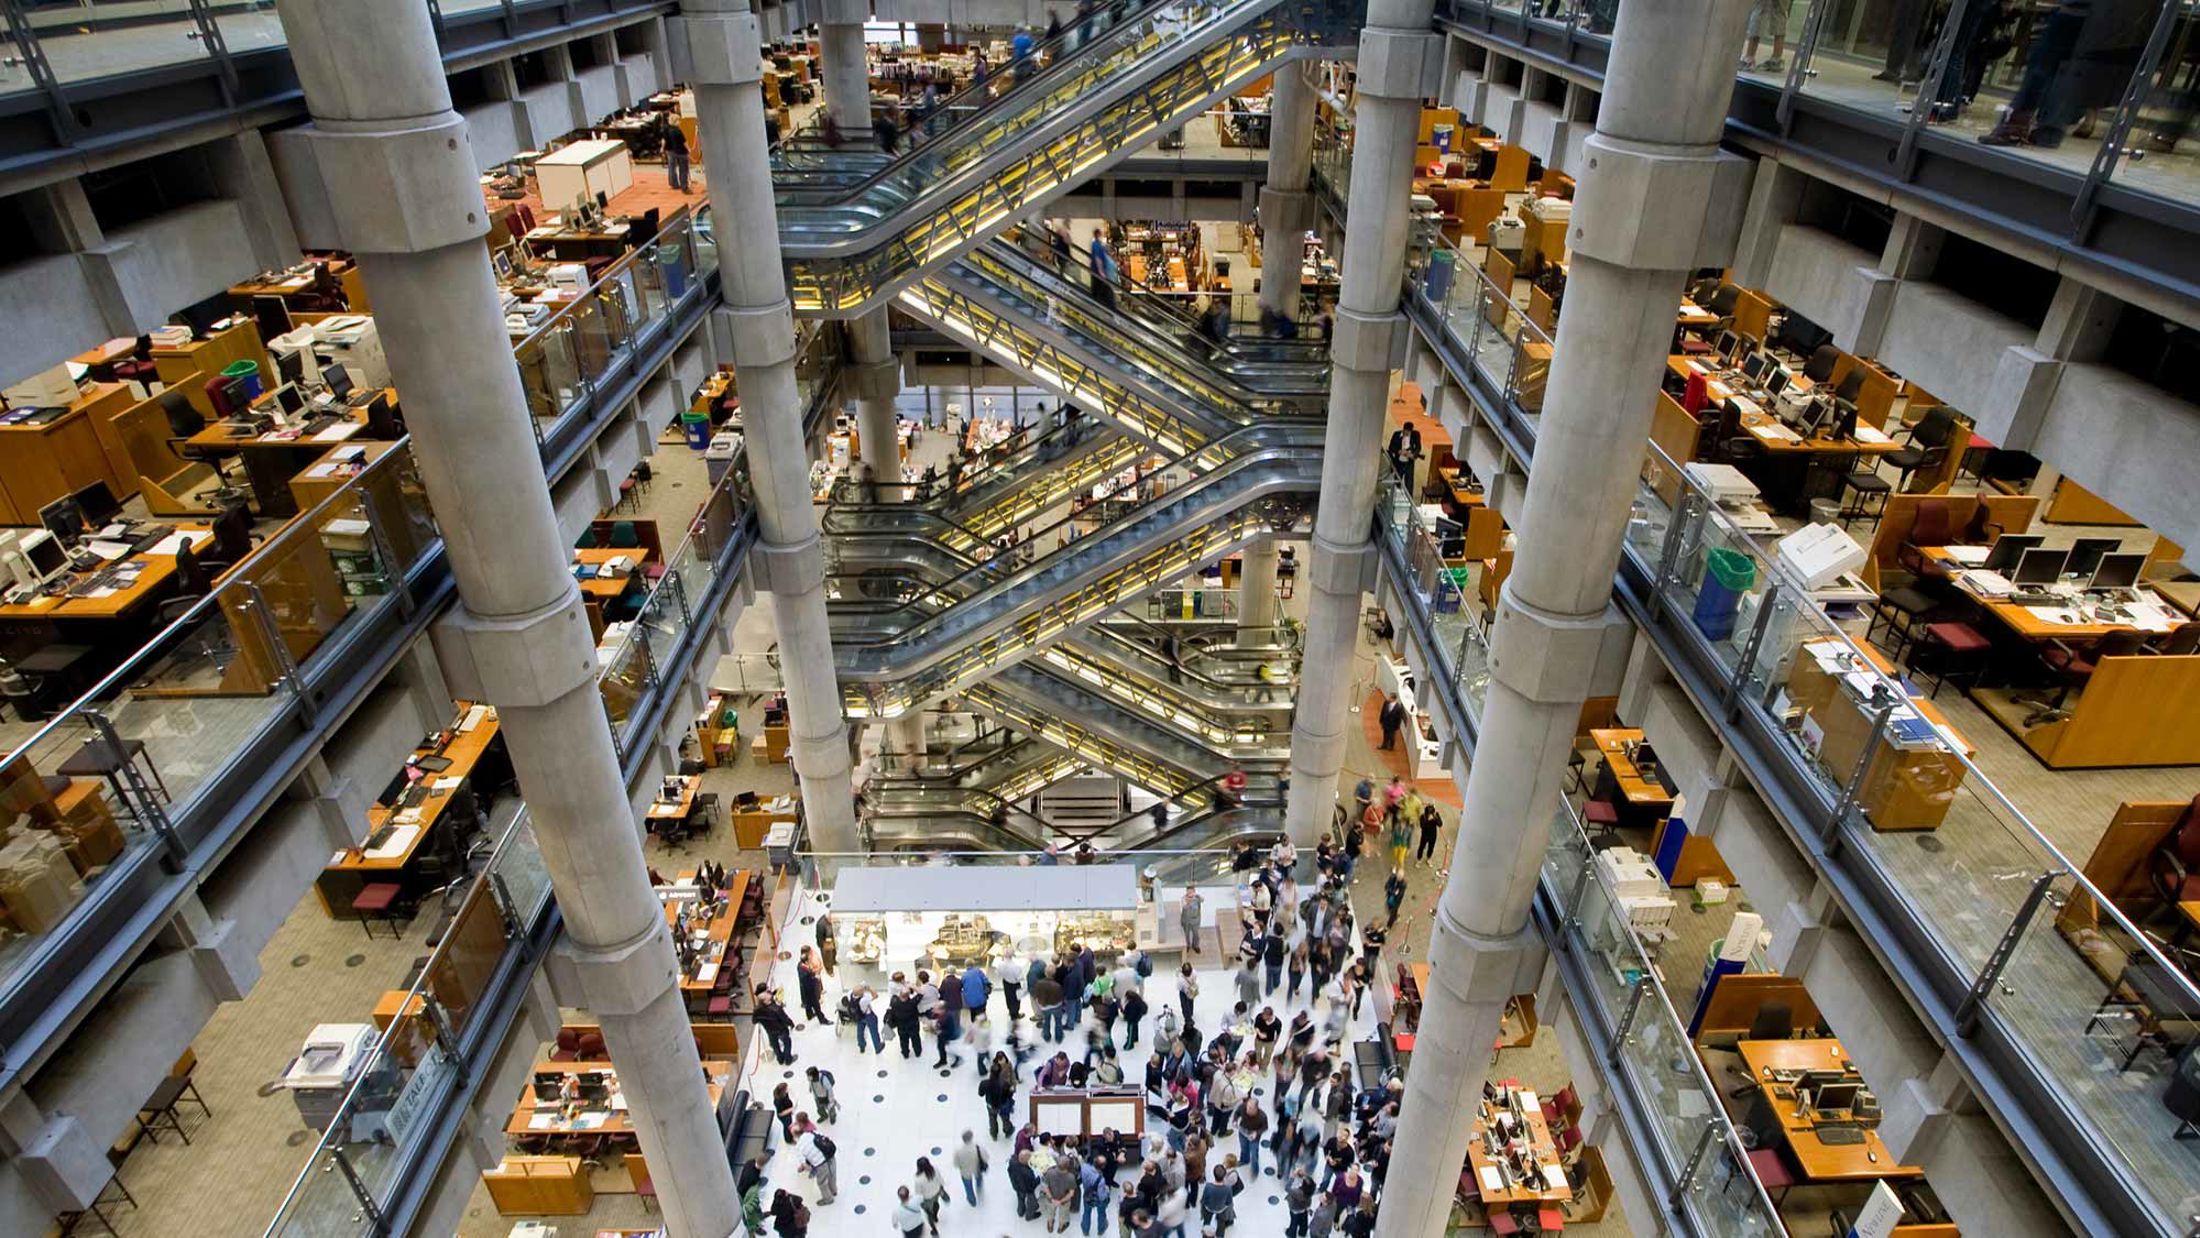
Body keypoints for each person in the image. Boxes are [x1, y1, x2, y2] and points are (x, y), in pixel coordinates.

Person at [795, 1121, 837, 1205]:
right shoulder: (812, 1133)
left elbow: (805, 1165)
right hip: (830, 1157)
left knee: (821, 1183)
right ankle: (834, 1190)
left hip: (821, 1165)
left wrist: (812, 1171)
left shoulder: (799, 1147)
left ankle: (828, 1199)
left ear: (795, 1136)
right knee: (832, 1175)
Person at [1198, 1163, 1241, 1236]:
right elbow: (1229, 1202)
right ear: (1224, 1176)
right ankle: (1220, 1235)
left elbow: (1204, 1199)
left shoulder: (1208, 1187)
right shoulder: (1228, 1188)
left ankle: (1205, 1234)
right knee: (1221, 1224)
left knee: (1206, 1222)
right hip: (1221, 1209)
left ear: (1214, 1175)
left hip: (1209, 1208)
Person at [1042, 1152, 1080, 1233]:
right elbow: (1071, 1193)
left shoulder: (1049, 1172)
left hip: (1051, 1198)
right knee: (1063, 1215)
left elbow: (1045, 1187)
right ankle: (1061, 1227)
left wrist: (1052, 1199)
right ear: (1068, 1166)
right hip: (1064, 1201)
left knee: (1050, 1213)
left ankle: (1050, 1225)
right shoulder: (1071, 1177)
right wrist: (1060, 1201)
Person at [1078, 1152, 1113, 1235]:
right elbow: (1101, 1196)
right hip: (1097, 1198)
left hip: (1087, 1194)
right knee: (1101, 1213)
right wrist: (1107, 1191)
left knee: (1086, 1212)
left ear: (1094, 1161)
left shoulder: (1084, 1168)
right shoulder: (1101, 1180)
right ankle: (1101, 1230)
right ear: (1103, 1166)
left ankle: (1085, 1230)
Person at [755, 993, 796, 1063]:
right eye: (766, 995)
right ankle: (788, 1059)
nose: (768, 994)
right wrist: (791, 1023)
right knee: (787, 1042)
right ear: (765, 1000)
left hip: (770, 1031)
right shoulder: (776, 1008)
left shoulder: (757, 1011)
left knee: (775, 1045)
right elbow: (784, 1018)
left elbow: (754, 1020)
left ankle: (780, 1059)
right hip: (781, 1030)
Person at [951, 1129, 988, 1205]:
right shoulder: (978, 1148)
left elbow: (955, 1164)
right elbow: (986, 1158)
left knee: (968, 1187)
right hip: (977, 1169)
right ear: (971, 1137)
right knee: (979, 1179)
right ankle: (979, 1188)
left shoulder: (958, 1151)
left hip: (965, 1172)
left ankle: (972, 1200)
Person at [912, 1156, 948, 1234]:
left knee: (928, 1214)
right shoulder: (935, 1169)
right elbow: (940, 1180)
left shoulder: (918, 1179)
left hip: (927, 1198)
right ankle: (935, 1216)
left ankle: (934, 1229)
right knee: (936, 1203)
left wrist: (919, 1202)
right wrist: (942, 1189)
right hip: (937, 1192)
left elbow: (918, 1193)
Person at [1089, 228, 1120, 310]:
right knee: (1104, 292)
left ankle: (1099, 306)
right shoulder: (1097, 245)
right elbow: (1098, 259)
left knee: (1099, 291)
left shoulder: (1096, 244)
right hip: (1099, 274)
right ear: (1098, 235)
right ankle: (1109, 309)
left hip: (1097, 272)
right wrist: (1101, 271)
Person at [1009, 1147, 1042, 1219]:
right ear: (1026, 1161)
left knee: (1020, 1199)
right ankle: (1029, 1216)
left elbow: (1009, 1171)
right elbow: (1032, 1186)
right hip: (1026, 1189)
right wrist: (1039, 1178)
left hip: (1016, 1186)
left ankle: (1020, 1211)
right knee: (1032, 1203)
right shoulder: (1028, 1173)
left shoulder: (1012, 1161)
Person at [797, 947, 827, 1023]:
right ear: (806, 962)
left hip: (806, 990)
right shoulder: (805, 972)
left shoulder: (800, 965)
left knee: (808, 1003)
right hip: (810, 991)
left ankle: (809, 1015)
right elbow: (809, 982)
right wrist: (815, 978)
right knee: (816, 1006)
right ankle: (822, 1020)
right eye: (809, 959)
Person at [853, 984, 884, 1054]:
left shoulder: (851, 995)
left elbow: (857, 990)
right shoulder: (863, 1000)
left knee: (860, 1032)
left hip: (859, 1016)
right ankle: (878, 1047)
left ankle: (861, 1045)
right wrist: (869, 989)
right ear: (861, 993)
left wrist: (861, 987)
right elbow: (876, 995)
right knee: (874, 1032)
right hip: (868, 1016)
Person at [663, 119, 691, 192]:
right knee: (683, 169)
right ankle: (684, 186)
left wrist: (662, 148)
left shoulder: (667, 129)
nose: (680, 122)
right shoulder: (678, 131)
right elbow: (684, 141)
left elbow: (664, 140)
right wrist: (688, 149)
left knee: (672, 168)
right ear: (675, 121)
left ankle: (674, 184)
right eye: (679, 120)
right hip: (681, 152)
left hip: (670, 151)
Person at [1416, 800, 1441, 864]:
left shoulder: (1436, 815)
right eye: (1429, 808)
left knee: (1431, 848)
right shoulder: (1423, 816)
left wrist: (1435, 818)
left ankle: (1428, 858)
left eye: (1431, 808)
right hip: (1425, 835)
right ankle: (1419, 859)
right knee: (1421, 847)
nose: (1430, 810)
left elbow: (1440, 824)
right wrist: (1428, 820)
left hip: (1433, 836)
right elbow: (1422, 826)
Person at [1179, 888, 1204, 953]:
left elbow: (1202, 899)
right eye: (1188, 892)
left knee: (1196, 934)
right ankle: (1187, 945)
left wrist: (1196, 896)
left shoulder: (1197, 898)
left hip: (1195, 920)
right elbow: (1184, 906)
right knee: (1186, 934)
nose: (1190, 893)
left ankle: (1196, 946)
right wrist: (1188, 901)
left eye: (1191, 892)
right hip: (1186, 920)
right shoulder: (1184, 898)